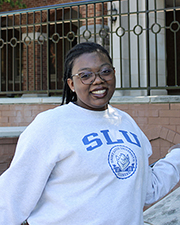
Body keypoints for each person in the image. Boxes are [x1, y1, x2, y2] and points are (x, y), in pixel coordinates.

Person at [0, 42, 180, 225]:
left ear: (114, 74)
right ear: (71, 84)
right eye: (85, 75)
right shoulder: (51, 125)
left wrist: (177, 156)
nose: (98, 80)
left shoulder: (127, 123)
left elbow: (146, 189)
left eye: (105, 71)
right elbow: (12, 198)